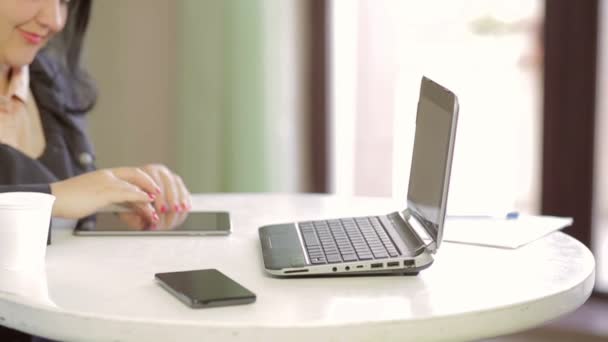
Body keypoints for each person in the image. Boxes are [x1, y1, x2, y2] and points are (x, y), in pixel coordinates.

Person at [0, 1, 191, 340]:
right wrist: (53, 198)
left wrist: (121, 197)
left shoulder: (48, 80)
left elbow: (66, 217)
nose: (55, 20)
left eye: (64, 1)